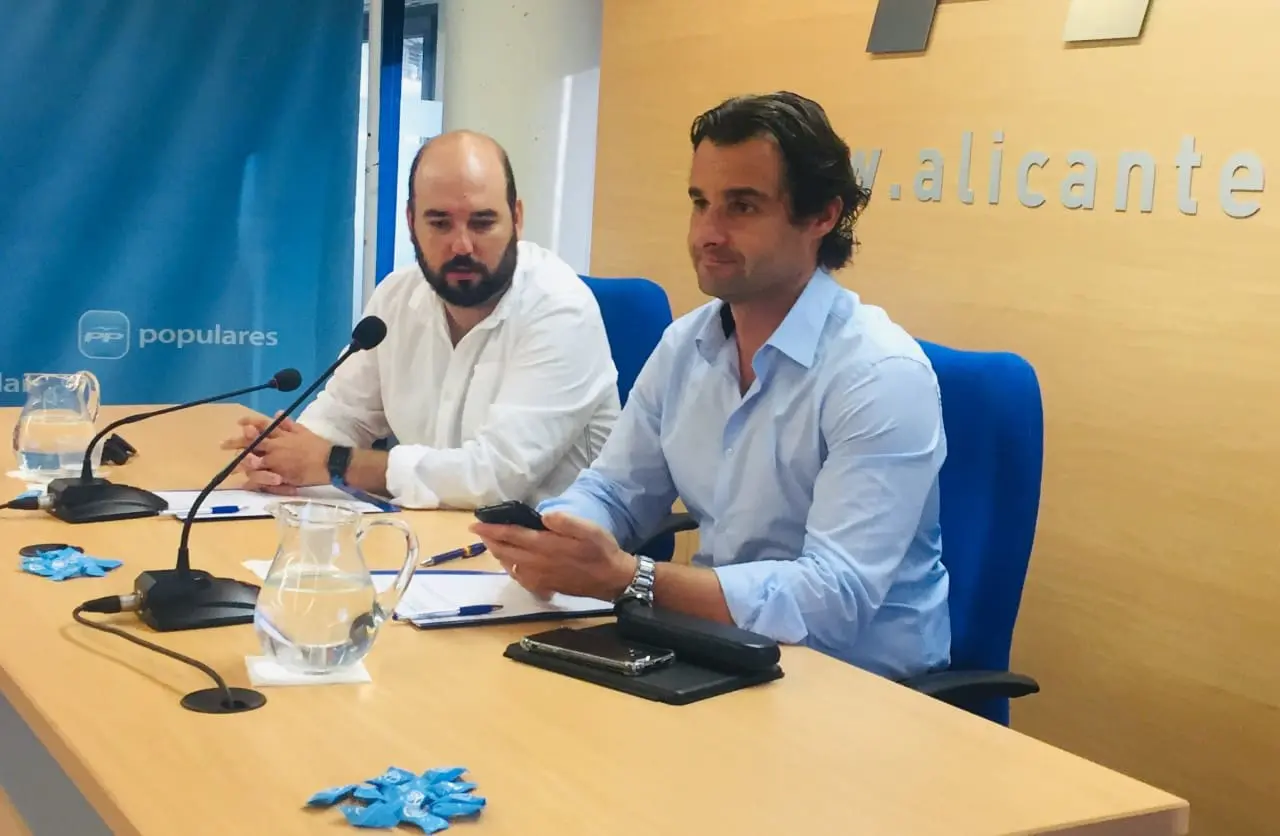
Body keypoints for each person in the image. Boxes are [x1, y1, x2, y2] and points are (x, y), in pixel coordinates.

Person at [473, 92, 951, 680]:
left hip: (860, 688)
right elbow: (616, 491)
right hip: (718, 654)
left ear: (822, 217)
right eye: (701, 203)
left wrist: (631, 578)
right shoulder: (686, 345)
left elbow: (833, 600)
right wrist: (557, 537)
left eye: (741, 207)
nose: (708, 232)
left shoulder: (880, 374)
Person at [222, 130, 620, 510]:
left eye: (482, 222)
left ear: (516, 219)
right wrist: (281, 457)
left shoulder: (561, 309)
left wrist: (332, 462)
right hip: (428, 535)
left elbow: (495, 478)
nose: (462, 245)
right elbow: (343, 415)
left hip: (543, 547)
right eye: (440, 223)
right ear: (411, 222)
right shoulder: (397, 297)